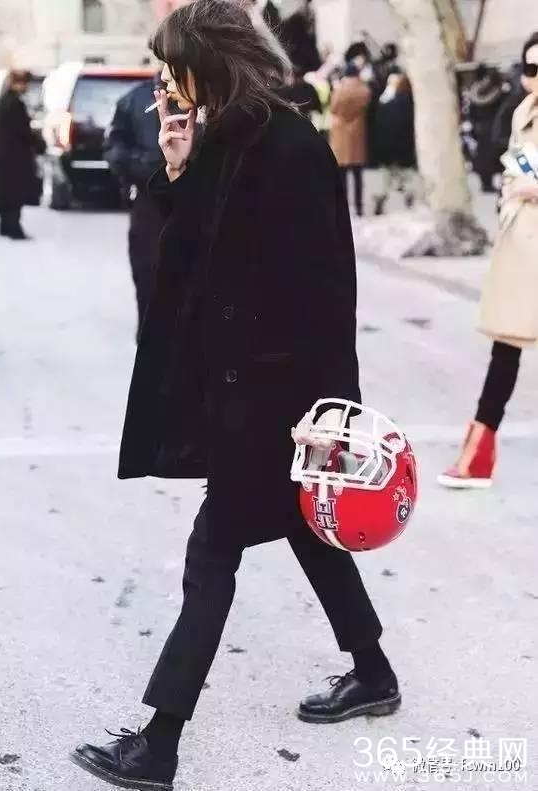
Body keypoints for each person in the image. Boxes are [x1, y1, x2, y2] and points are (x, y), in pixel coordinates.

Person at [70, 2, 401, 789]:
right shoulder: (224, 136)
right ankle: (374, 671)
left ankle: (158, 742)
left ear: (209, 63)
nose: (165, 82)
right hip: (238, 391)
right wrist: (175, 169)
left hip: (276, 399)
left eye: (173, 67)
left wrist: (333, 409)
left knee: (212, 549)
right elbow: (189, 258)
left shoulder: (289, 145)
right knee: (305, 529)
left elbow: (329, 291)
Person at [438, 33, 538, 489]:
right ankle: (478, 453)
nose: (534, 78)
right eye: (530, 69)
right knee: (506, 345)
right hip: (522, 242)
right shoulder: (522, 113)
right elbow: (513, 164)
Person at [104, 72, 167, 336]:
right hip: (148, 198)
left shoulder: (198, 94)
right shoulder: (134, 99)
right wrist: (139, 165)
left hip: (191, 198)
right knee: (146, 268)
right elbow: (114, 145)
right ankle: (147, 332)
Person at [0, 70, 44, 239]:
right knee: (15, 193)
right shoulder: (15, 104)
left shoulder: (3, 102)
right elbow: (23, 131)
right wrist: (39, 144)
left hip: (1, 155)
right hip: (15, 157)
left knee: (6, 192)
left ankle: (5, 226)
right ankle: (13, 228)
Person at [329, 62, 371, 215]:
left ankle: (344, 208)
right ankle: (359, 207)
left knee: (342, 176)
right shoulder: (364, 90)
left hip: (341, 136)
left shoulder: (339, 89)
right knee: (358, 174)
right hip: (357, 134)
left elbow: (333, 108)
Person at [372, 70, 417, 215]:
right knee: (406, 174)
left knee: (386, 175)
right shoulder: (410, 102)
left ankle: (381, 198)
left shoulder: (385, 101)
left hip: (387, 146)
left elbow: (379, 123)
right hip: (404, 146)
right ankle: (409, 199)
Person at [468, 65, 507, 193]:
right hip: (496, 128)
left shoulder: (474, 92)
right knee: (500, 156)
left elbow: (471, 113)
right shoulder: (499, 93)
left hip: (481, 130)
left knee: (484, 158)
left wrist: (475, 125)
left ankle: (486, 183)